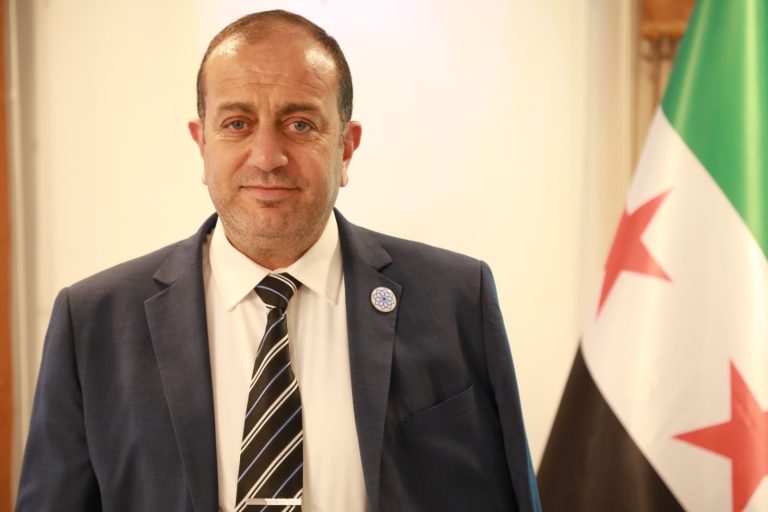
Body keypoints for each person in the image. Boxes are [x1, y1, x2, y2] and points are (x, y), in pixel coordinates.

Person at [16, 9, 541, 512]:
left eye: (301, 124)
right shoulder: (93, 322)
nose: (267, 157)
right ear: (202, 144)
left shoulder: (456, 300)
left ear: (346, 148)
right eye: (237, 123)